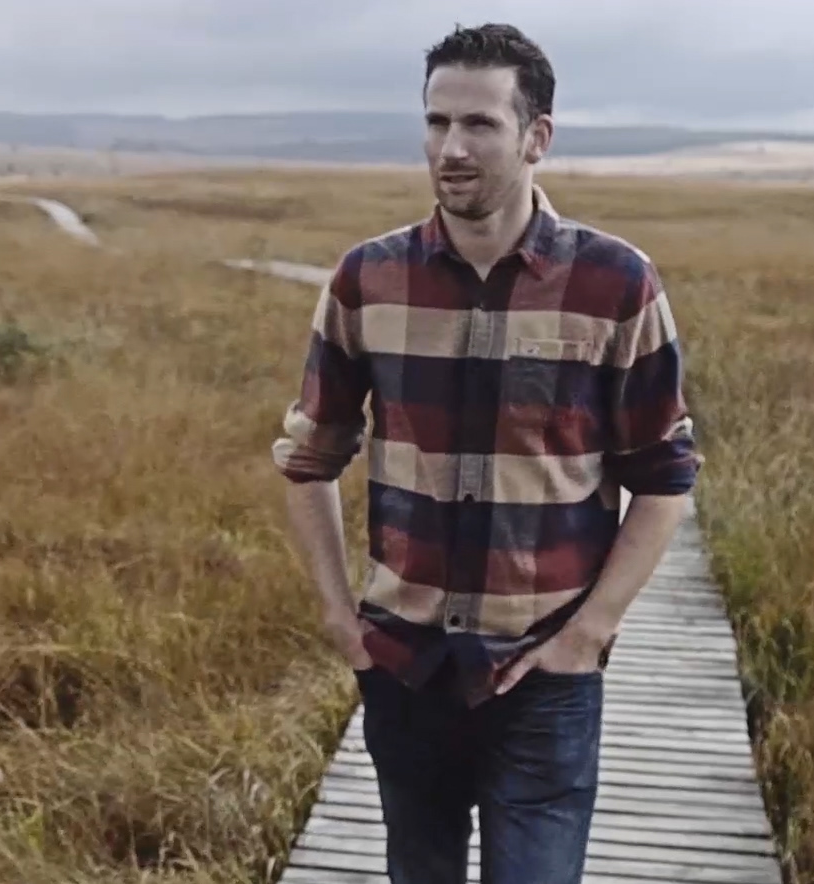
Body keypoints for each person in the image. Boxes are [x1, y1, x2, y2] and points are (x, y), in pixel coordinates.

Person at [271, 21, 701, 884]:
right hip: (405, 668)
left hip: (543, 672)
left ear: (536, 137)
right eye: (436, 122)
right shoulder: (367, 279)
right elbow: (307, 457)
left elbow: (663, 478)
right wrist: (339, 618)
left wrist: (589, 634)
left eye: (479, 124)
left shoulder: (615, 282)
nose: (451, 148)